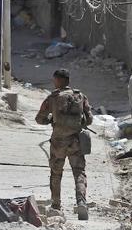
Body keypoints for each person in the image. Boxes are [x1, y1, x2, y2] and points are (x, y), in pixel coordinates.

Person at [35, 69, 93, 220]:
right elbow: (89, 119)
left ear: (58, 81)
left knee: (56, 173)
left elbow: (39, 119)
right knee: (79, 172)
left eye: (54, 80)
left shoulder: (53, 97)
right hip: (76, 141)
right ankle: (81, 202)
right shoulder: (80, 96)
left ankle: (56, 205)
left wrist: (50, 119)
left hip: (58, 142)